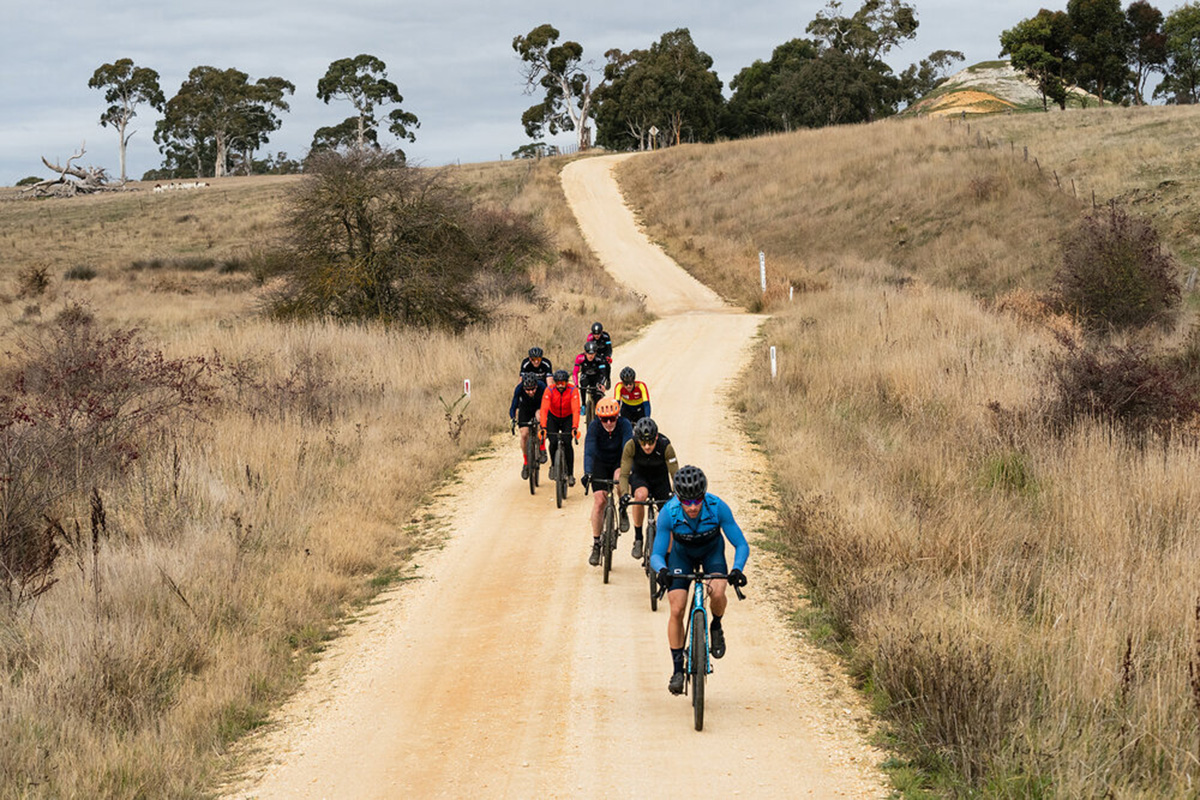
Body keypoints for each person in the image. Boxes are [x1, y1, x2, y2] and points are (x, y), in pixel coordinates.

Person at [649, 465, 749, 695]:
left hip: (712, 553)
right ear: (678, 498)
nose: (693, 507)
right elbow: (656, 554)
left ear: (704, 495)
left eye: (697, 501)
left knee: (718, 591)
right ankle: (677, 670)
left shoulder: (717, 507)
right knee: (677, 608)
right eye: (687, 501)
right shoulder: (669, 512)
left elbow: (741, 544)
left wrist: (737, 569)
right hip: (681, 556)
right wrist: (662, 570)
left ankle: (716, 625)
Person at [581, 397, 633, 566]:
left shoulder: (625, 425)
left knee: (619, 478)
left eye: (612, 418)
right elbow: (589, 451)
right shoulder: (594, 427)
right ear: (599, 418)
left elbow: (628, 450)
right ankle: (596, 544)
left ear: (618, 416)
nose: (609, 423)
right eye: (605, 419)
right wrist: (588, 472)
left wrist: (628, 471)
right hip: (600, 463)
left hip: (619, 461)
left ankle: (623, 509)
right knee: (599, 501)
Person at [618, 417, 677, 559]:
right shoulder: (631, 445)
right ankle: (638, 538)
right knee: (640, 496)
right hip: (640, 477)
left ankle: (669, 558)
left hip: (660, 480)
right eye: (643, 443)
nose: (647, 447)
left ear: (656, 437)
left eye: (650, 442)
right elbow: (624, 474)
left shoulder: (665, 446)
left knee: (668, 517)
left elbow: (675, 473)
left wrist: (676, 492)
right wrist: (625, 494)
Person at [538, 368, 581, 487]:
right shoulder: (549, 390)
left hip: (568, 417)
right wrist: (543, 427)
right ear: (555, 383)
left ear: (567, 382)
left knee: (567, 443)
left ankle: (570, 474)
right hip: (554, 417)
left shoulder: (573, 390)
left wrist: (574, 427)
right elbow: (544, 409)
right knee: (552, 442)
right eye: (558, 383)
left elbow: (576, 410)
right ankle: (553, 465)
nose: (560, 385)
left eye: (563, 383)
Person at [509, 373, 547, 479]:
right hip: (525, 409)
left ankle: (542, 448)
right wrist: (513, 418)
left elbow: (548, 402)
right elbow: (513, 406)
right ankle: (526, 463)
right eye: (527, 390)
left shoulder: (542, 387)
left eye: (533, 389)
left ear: (536, 385)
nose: (530, 392)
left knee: (540, 419)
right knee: (524, 434)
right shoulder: (519, 389)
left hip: (538, 407)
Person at [573, 341, 611, 412]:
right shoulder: (580, 358)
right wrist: (576, 384)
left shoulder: (599, 359)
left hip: (596, 377)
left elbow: (603, 373)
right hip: (586, 376)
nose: (590, 356)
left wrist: (601, 384)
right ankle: (583, 405)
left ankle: (599, 407)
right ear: (585, 352)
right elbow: (575, 372)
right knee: (583, 384)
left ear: (595, 353)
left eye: (593, 354)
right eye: (588, 354)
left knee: (597, 394)